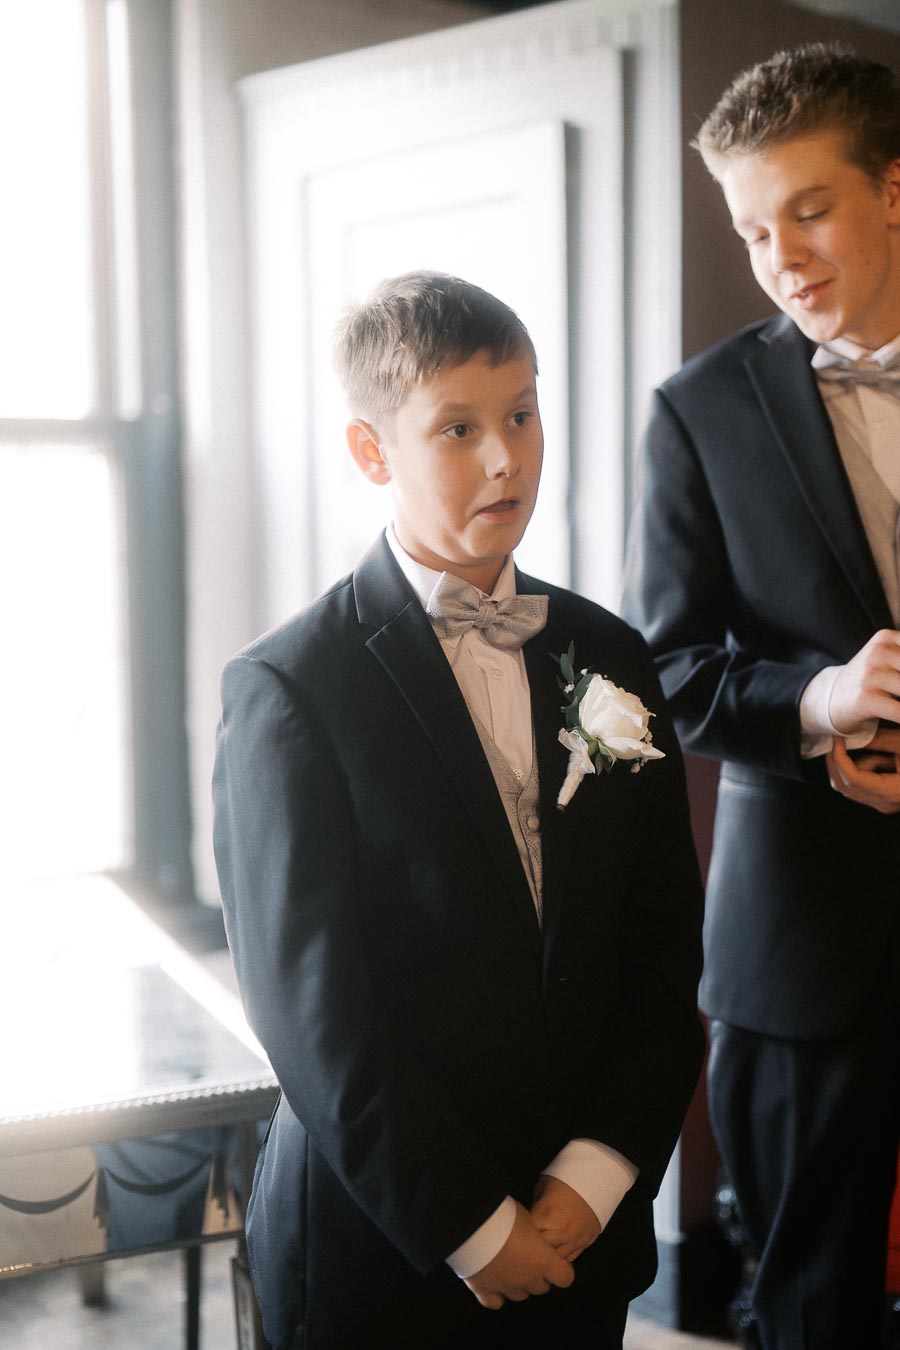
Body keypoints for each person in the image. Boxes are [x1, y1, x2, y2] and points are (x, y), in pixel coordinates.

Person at [213, 270, 704, 1350]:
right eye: (458, 428)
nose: (507, 457)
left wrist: (593, 1175)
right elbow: (316, 1020)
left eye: (523, 413)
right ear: (371, 451)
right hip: (385, 1240)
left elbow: (665, 948)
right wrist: (476, 1229)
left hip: (582, 1227)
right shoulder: (291, 689)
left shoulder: (608, 655)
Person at [623, 41, 900, 1350]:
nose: (781, 254)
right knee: (807, 1304)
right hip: (806, 943)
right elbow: (664, 676)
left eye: (809, 208)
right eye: (751, 227)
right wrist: (819, 708)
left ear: (893, 189)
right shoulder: (698, 412)